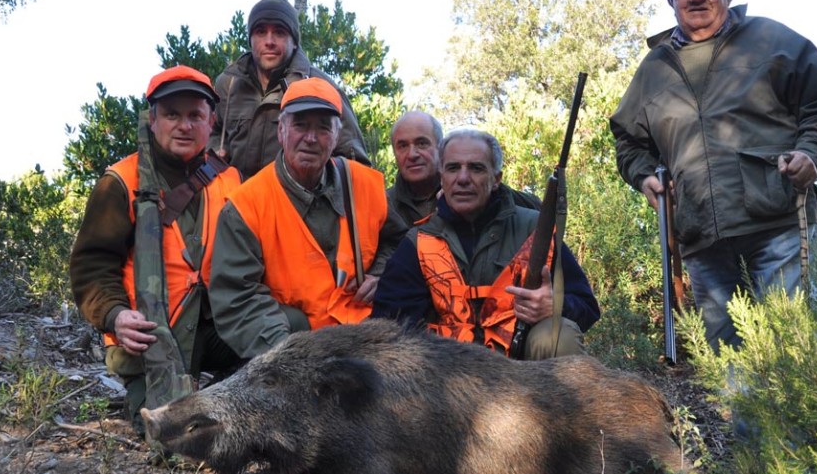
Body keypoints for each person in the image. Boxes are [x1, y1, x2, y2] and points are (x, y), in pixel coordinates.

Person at [610, 0, 817, 352]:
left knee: (792, 353)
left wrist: (811, 153)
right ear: (671, 0)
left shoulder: (772, 39)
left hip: (777, 223)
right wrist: (645, 177)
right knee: (728, 367)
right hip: (701, 235)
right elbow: (629, 141)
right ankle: (740, 422)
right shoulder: (654, 69)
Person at [70, 65, 244, 433]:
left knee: (290, 331)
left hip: (214, 326)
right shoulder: (119, 181)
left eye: (195, 115)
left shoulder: (230, 179)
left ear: (211, 122)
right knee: (171, 438)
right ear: (152, 120)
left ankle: (214, 390)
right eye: (172, 114)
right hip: (148, 338)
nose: (184, 125)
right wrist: (116, 316)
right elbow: (92, 264)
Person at [209, 77, 408, 361]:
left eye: (323, 127)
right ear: (281, 131)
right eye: (301, 125)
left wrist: (380, 271)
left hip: (368, 335)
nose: (311, 138)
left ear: (337, 136)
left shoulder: (365, 183)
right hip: (295, 343)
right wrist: (289, 356)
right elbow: (237, 298)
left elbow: (399, 241)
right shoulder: (245, 205)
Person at [371, 129, 600, 360]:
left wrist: (555, 306)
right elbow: (389, 324)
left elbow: (586, 305)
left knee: (558, 337)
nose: (462, 178)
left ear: (496, 179)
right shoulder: (418, 241)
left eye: (476, 168)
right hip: (446, 377)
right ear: (442, 177)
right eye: (453, 168)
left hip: (524, 374)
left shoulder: (535, 230)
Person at [210, 0, 370, 178]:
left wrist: (315, 183)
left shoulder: (320, 87)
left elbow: (354, 161)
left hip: (295, 206)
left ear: (294, 41)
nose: (269, 41)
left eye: (279, 32)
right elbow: (209, 131)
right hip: (237, 204)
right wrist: (213, 152)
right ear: (250, 39)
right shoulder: (229, 84)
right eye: (260, 32)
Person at [387, 110, 541, 226]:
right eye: (402, 146)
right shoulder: (384, 206)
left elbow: (541, 211)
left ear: (441, 148)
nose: (412, 154)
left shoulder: (479, 190)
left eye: (422, 143)